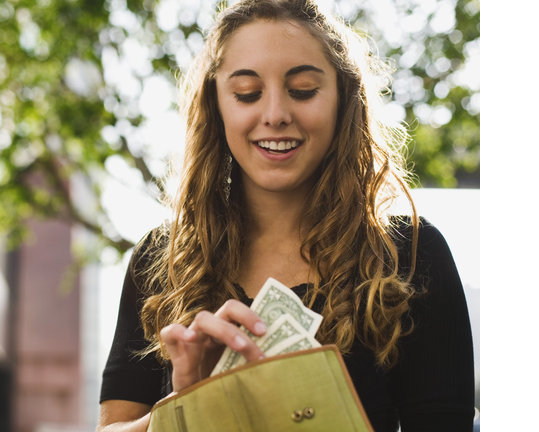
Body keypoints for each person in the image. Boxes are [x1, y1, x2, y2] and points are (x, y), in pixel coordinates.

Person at [97, 0, 475, 431]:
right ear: (217, 105)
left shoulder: (411, 256)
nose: (275, 115)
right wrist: (185, 406)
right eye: (247, 94)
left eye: (303, 90)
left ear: (342, 99)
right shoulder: (161, 260)